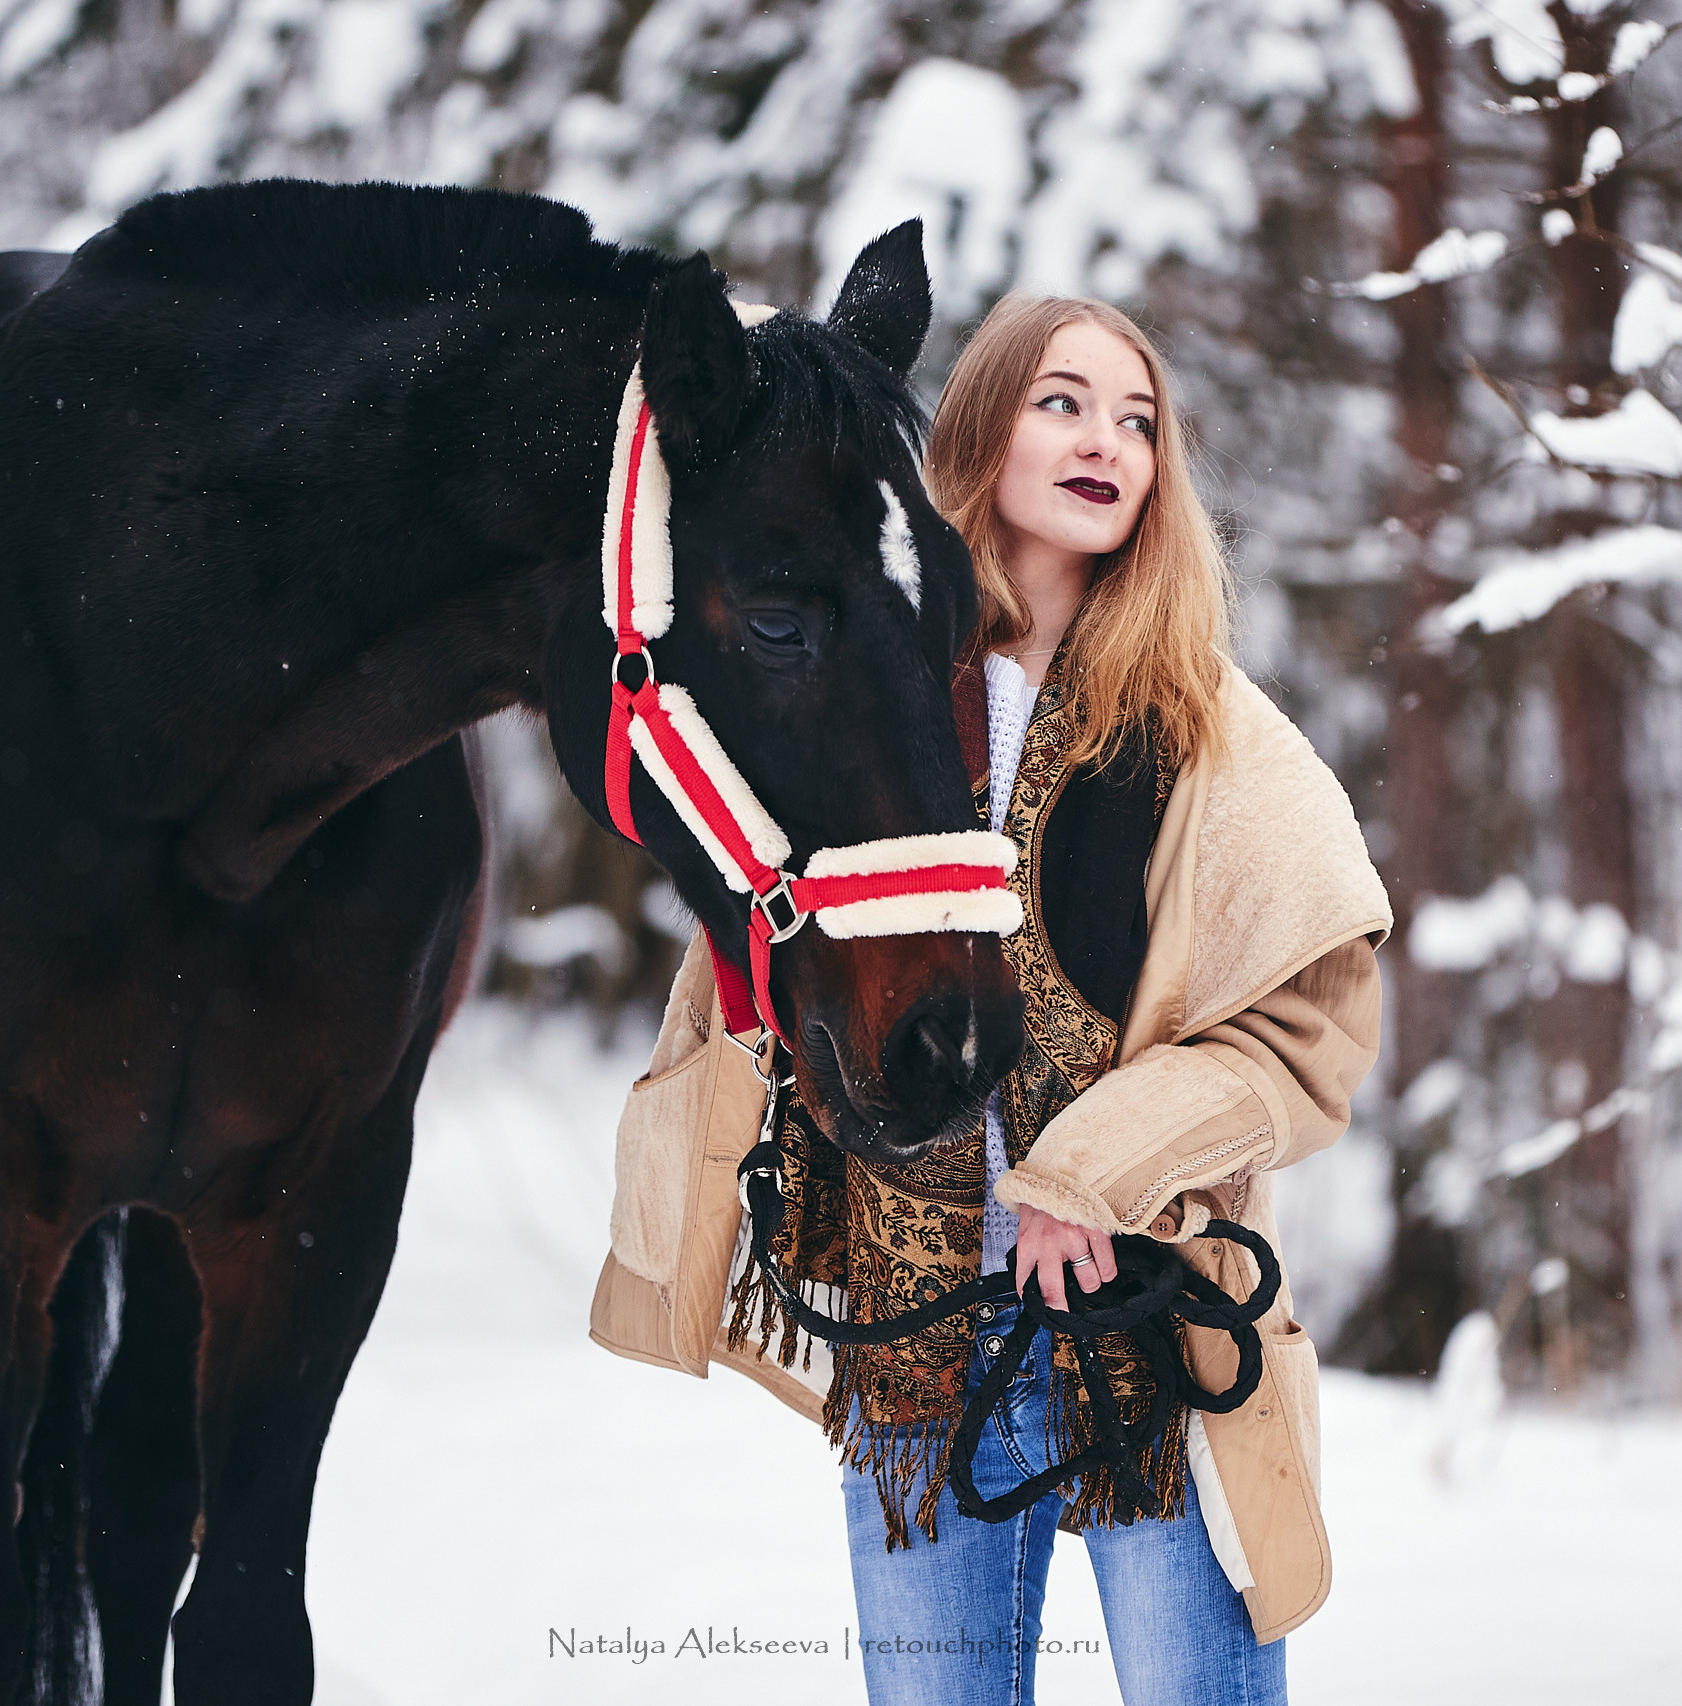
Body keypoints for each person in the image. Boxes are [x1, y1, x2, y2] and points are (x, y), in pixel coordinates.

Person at [590, 292, 1392, 1706]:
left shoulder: (1206, 722)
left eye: (1138, 419)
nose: (1108, 441)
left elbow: (1307, 1034)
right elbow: (760, 934)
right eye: (1064, 402)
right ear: (981, 428)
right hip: (916, 1351)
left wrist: (1093, 1169)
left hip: (1153, 1333)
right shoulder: (870, 682)